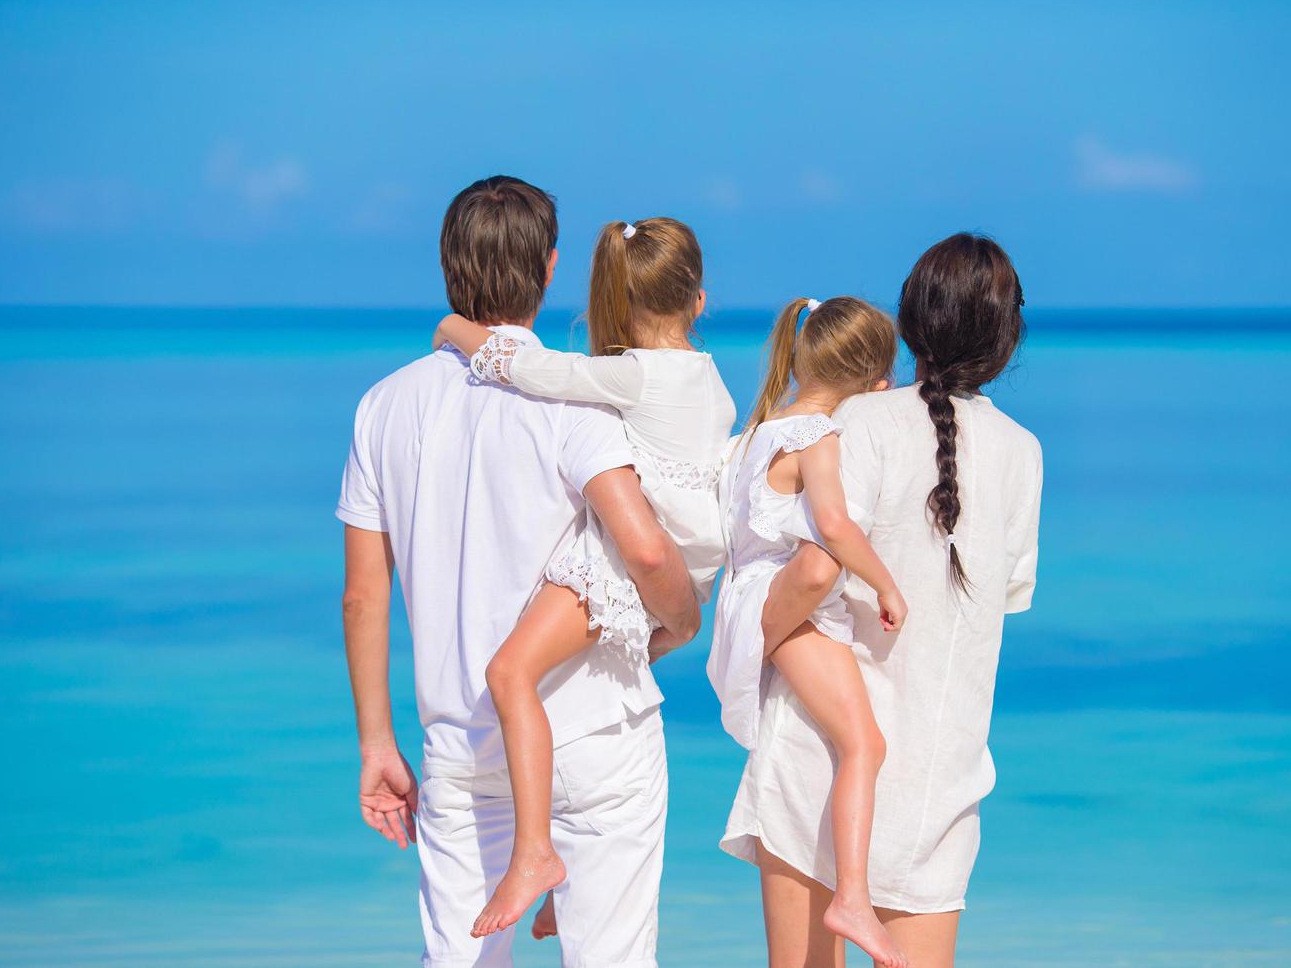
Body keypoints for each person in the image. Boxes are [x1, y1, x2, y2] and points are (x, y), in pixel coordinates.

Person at [337, 176, 700, 967]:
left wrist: (375, 742)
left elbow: (363, 595)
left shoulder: (384, 407)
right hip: (593, 731)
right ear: (549, 270)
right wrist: (684, 616)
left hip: (460, 741)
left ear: (447, 267)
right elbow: (643, 548)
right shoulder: (577, 401)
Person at [721, 235, 1042, 968]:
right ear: (1006, 334)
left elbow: (808, 572)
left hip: (819, 764)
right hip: (938, 782)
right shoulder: (1023, 453)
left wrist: (752, 638)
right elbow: (1005, 598)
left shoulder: (856, 424)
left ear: (908, 326)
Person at [430, 215, 736, 938]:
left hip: (621, 572)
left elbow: (529, 367)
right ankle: (558, 889)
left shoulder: (631, 375)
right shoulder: (712, 379)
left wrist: (453, 330)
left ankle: (535, 853)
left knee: (509, 673)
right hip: (689, 580)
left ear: (617, 300)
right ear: (698, 301)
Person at [710, 297, 910, 968]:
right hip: (782, 602)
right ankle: (852, 894)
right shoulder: (815, 436)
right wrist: (884, 583)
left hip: (752, 600)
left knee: (852, 742)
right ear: (871, 381)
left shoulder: (761, 428)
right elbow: (833, 527)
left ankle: (848, 891)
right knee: (864, 743)